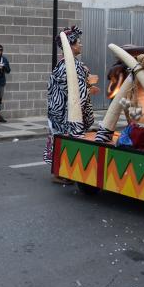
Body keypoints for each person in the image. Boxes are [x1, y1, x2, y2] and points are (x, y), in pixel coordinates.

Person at [43, 26, 99, 184]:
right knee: (63, 139)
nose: (80, 45)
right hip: (64, 112)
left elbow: (79, 86)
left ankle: (64, 172)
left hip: (67, 111)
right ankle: (58, 174)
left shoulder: (74, 64)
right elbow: (73, 92)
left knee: (64, 139)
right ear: (71, 45)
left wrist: (88, 87)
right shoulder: (66, 66)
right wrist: (87, 90)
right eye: (78, 43)